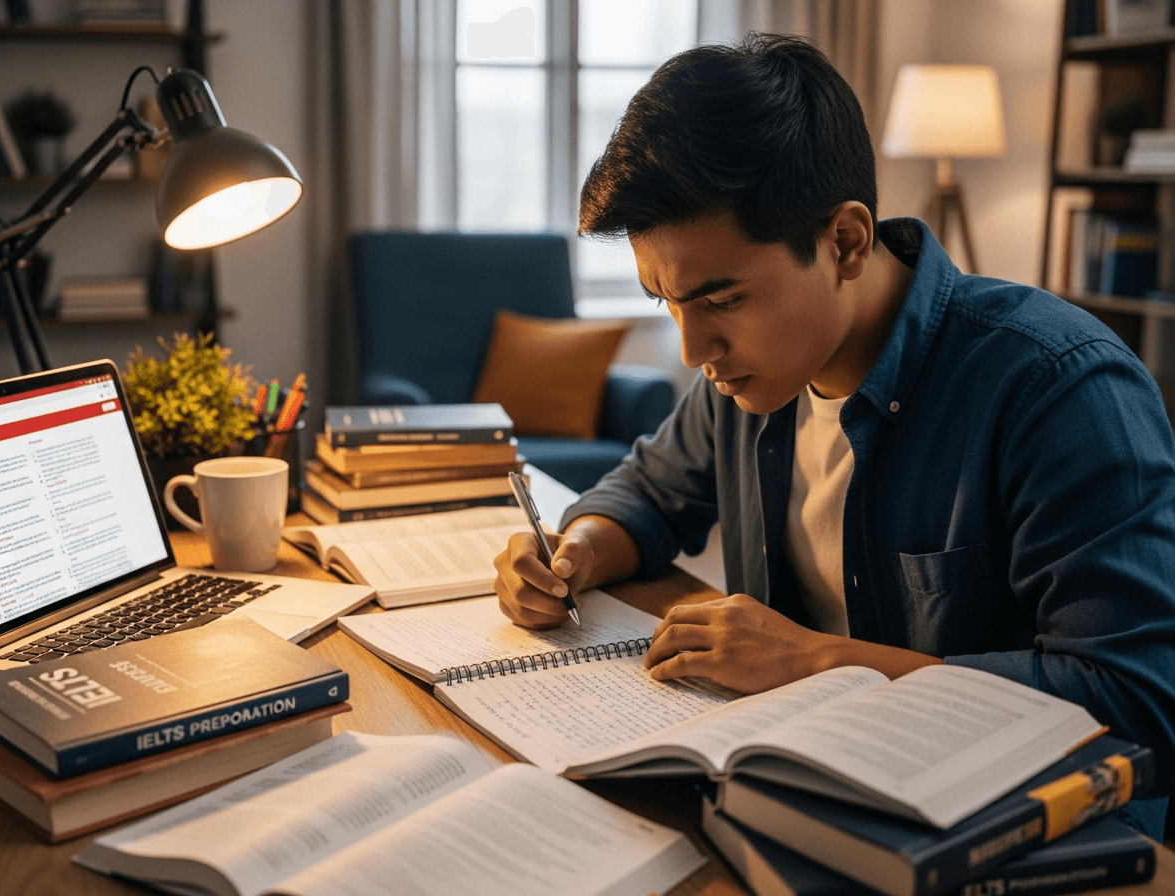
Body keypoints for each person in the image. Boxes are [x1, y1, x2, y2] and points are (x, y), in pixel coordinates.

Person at [491, 34, 1175, 839]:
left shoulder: (1058, 388)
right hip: (797, 796)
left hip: (1008, 838)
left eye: (722, 299)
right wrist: (574, 550)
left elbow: (1136, 702)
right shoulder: (750, 379)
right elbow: (647, 489)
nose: (691, 351)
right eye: (666, 304)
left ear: (846, 241)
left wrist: (812, 660)